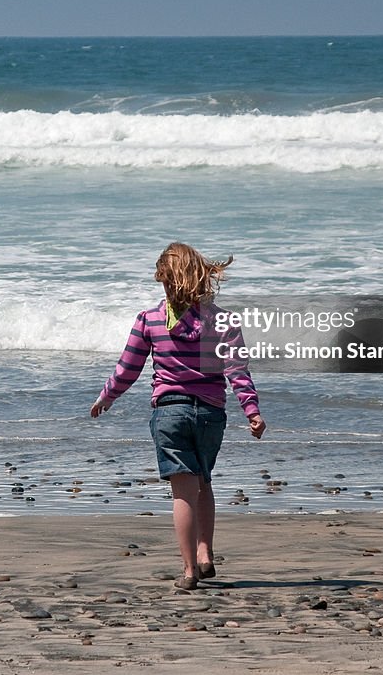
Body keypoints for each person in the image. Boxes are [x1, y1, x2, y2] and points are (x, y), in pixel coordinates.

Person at [90, 242, 265, 590]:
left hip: (170, 412)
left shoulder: (149, 319)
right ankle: (205, 553)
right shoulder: (223, 320)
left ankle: (188, 571)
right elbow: (238, 371)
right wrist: (252, 411)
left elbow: (128, 369)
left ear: (165, 280)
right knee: (204, 482)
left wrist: (107, 396)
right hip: (211, 414)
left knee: (182, 493)